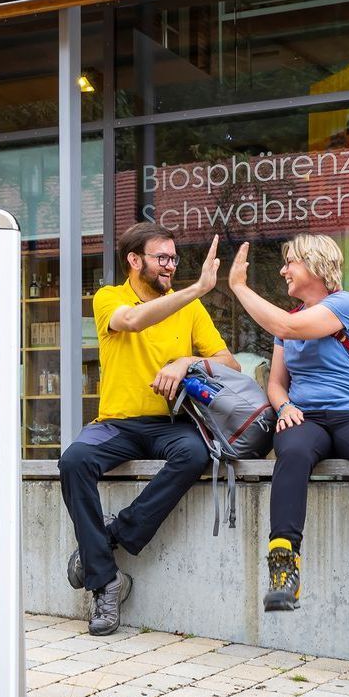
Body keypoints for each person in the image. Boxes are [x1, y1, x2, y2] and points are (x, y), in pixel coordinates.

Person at [227, 233, 349, 625]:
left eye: (289, 263)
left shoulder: (343, 304)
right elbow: (276, 382)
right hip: (306, 417)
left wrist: (239, 287)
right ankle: (284, 569)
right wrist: (285, 406)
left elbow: (286, 325)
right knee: (292, 453)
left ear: (315, 264)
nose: (283, 271)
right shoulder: (288, 323)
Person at [59, 224, 239, 636]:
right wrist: (196, 288)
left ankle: (108, 537)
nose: (170, 266)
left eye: (174, 259)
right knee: (74, 460)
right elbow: (134, 321)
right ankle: (106, 581)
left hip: (170, 424)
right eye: (162, 258)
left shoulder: (189, 310)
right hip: (117, 424)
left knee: (195, 454)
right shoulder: (110, 298)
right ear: (134, 260)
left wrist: (187, 363)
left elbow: (230, 363)